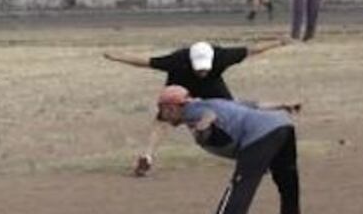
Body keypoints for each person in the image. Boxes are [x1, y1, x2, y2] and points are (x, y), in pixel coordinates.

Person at [103, 38, 289, 175]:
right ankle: (147, 157)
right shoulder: (178, 60)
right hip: (179, 90)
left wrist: (279, 42)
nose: (202, 71)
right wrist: (117, 57)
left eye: (205, 68)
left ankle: (252, 154)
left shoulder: (221, 56)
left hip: (212, 87)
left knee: (234, 113)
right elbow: (146, 62)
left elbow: (252, 50)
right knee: (163, 120)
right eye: (198, 68)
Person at [154, 86, 304, 214]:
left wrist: (204, 125)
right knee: (287, 178)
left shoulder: (191, 110)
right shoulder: (216, 102)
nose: (162, 116)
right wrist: (284, 105)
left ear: (171, 107)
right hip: (282, 124)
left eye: (162, 110)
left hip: (260, 134)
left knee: (240, 185)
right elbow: (255, 104)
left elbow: (208, 115)